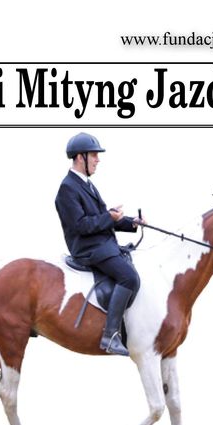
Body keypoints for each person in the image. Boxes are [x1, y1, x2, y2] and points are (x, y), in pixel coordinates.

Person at [55, 131, 139, 355]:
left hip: (101, 244)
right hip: (88, 249)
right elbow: (81, 225)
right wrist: (109, 218)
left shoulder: (88, 185)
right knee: (129, 277)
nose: (97, 160)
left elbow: (103, 218)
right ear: (80, 157)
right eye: (93, 155)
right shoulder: (67, 189)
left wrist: (133, 223)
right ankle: (110, 335)